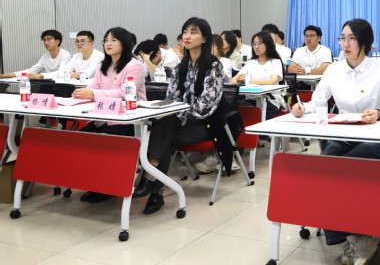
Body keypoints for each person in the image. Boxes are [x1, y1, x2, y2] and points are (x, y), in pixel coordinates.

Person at [291, 19, 380, 265]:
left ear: (366, 42)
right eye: (343, 38)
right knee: (327, 166)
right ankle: (356, 237)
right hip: (343, 135)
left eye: (352, 38)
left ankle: (358, 236)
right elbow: (318, 101)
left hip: (374, 137)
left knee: (342, 170)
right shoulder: (334, 70)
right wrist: (302, 107)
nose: (346, 43)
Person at [131, 17, 225, 214]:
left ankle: (150, 180)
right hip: (178, 122)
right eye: (185, 32)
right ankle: (154, 189)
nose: (187, 36)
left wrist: (176, 111)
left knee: (165, 130)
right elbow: (170, 98)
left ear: (204, 38)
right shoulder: (180, 67)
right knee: (166, 130)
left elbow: (204, 108)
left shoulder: (213, 67)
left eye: (193, 32)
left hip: (206, 124)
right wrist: (172, 110)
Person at [71, 27, 146, 203]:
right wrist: (83, 92)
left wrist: (93, 94)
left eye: (113, 40)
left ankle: (107, 186)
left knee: (104, 142)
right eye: (106, 40)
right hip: (104, 118)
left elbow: (124, 93)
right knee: (79, 139)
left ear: (124, 43)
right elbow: (93, 86)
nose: (108, 43)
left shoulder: (135, 65)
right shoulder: (102, 65)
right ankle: (94, 183)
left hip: (129, 121)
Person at [230, 31, 284, 120]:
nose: (256, 47)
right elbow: (233, 80)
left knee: (258, 120)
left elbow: (272, 81)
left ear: (268, 44)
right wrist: (237, 79)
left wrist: (248, 79)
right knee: (237, 116)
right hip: (250, 99)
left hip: (270, 100)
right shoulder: (250, 63)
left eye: (260, 43)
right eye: (254, 44)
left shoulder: (275, 62)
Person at [0, 30, 71, 79]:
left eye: (49, 39)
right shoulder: (45, 57)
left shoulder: (65, 54)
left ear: (57, 41)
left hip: (63, 86)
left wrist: (40, 75)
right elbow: (32, 70)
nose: (46, 43)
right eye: (44, 40)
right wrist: (10, 74)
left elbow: (62, 73)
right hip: (50, 85)